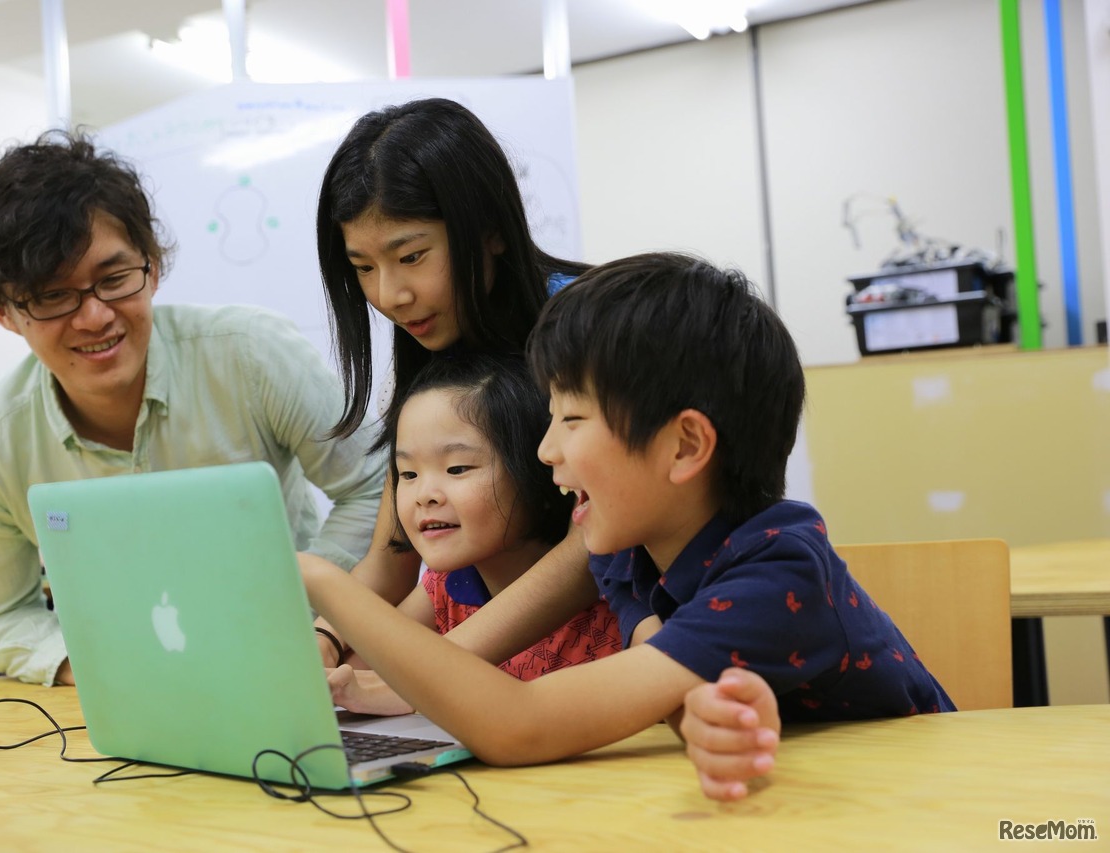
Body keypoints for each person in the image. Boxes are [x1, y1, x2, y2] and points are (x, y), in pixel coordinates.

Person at [300, 252, 954, 802]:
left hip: (917, 802)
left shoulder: (778, 571)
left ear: (685, 446)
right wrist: (689, 710)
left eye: (572, 420)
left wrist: (324, 581)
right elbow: (657, 655)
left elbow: (520, 726)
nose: (545, 451)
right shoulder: (629, 555)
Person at [0, 131, 385, 686]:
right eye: (53, 296)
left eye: (114, 279)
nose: (95, 317)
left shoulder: (251, 355)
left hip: (293, 664)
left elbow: (373, 486)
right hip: (120, 692)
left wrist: (308, 613)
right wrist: (108, 668)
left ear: (152, 264)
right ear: (4, 311)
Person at [310, 96, 597, 668]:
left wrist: (435, 670)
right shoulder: (433, 344)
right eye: (363, 267)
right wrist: (320, 646)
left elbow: (592, 546)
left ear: (490, 231)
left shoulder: (591, 326)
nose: (390, 295)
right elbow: (391, 558)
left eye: (412, 256)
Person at [327, 354, 620, 715]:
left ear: (541, 472)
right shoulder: (444, 588)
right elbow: (365, 671)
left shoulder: (616, 594)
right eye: (408, 474)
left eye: (457, 468)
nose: (425, 495)